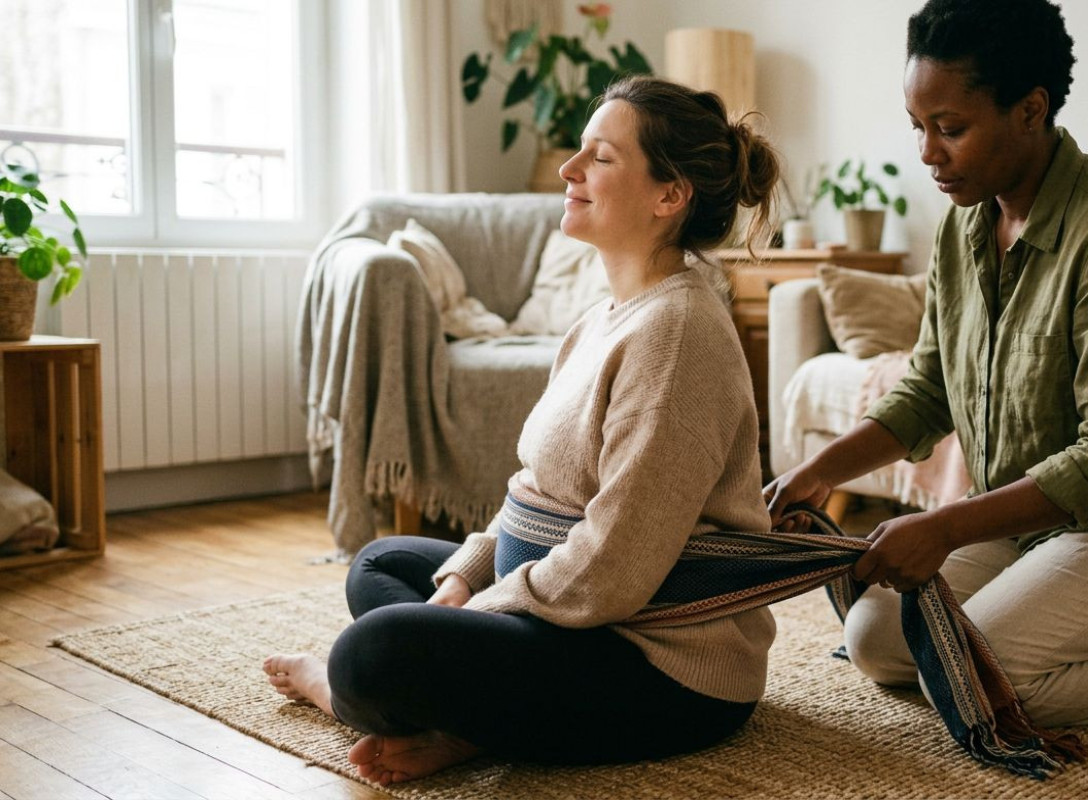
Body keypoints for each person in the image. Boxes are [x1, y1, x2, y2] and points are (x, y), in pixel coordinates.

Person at [766, 0, 1088, 730]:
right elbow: (928, 389)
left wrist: (945, 526)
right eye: (918, 126)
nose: (927, 153)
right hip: (1040, 523)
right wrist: (815, 473)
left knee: (982, 679)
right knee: (877, 642)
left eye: (949, 129)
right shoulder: (964, 226)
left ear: (1030, 109)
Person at [264, 75, 781, 785]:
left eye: (600, 157)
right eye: (580, 151)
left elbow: (618, 566)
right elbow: (534, 488)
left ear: (670, 195)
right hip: (561, 614)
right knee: (381, 565)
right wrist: (469, 576)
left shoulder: (680, 332)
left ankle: (360, 694)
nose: (569, 171)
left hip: (658, 663)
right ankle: (477, 724)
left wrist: (482, 605)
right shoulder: (602, 319)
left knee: (368, 656)